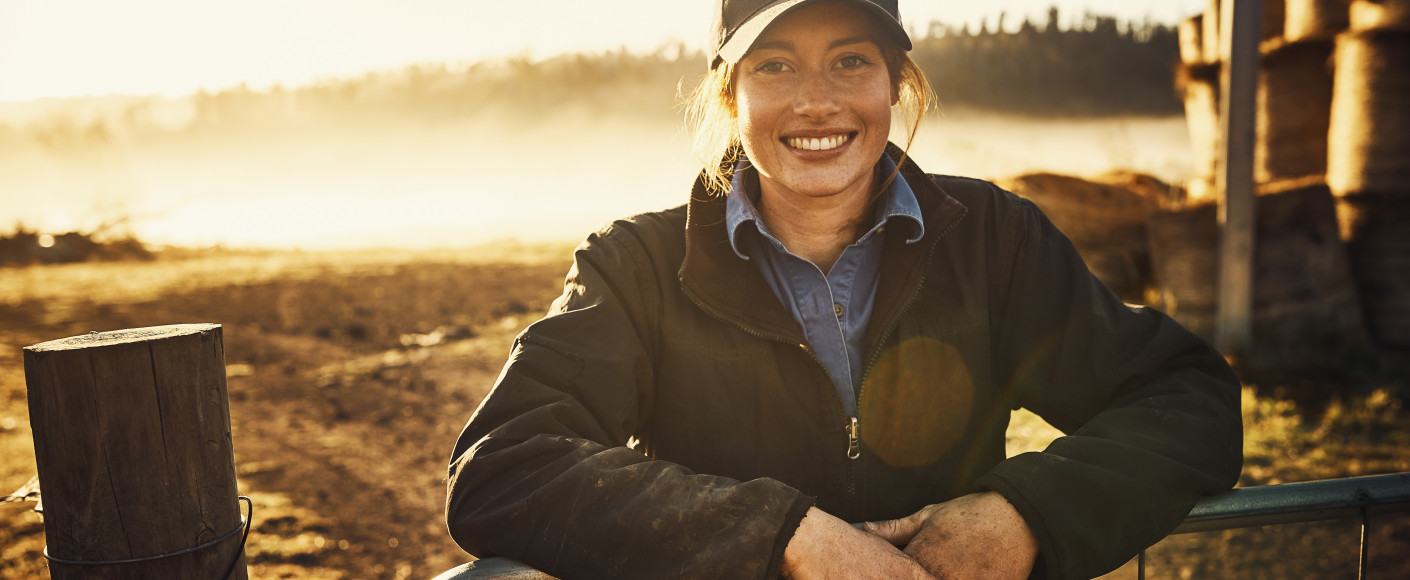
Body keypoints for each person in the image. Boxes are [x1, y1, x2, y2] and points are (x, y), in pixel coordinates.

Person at [446, 1, 1243, 578]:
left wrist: (1025, 512)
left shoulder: (994, 239)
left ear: (896, 82)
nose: (816, 101)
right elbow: (503, 468)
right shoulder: (637, 269)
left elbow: (1188, 396)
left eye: (851, 60)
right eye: (776, 65)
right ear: (732, 95)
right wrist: (781, 537)